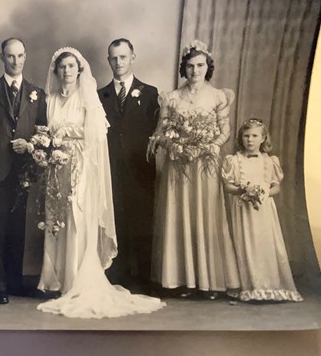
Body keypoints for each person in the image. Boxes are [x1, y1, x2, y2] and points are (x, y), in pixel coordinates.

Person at [36, 47, 166, 318]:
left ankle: (74, 278)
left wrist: (62, 133)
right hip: (55, 168)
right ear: (56, 71)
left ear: (79, 69)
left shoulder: (88, 98)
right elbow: (42, 130)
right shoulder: (48, 100)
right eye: (62, 67)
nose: (67, 71)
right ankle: (54, 279)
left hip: (79, 167)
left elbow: (94, 132)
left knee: (76, 220)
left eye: (71, 66)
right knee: (56, 220)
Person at [149, 40, 240, 299]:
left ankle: (208, 281)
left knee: (206, 216)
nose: (195, 71)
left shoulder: (218, 96)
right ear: (183, 68)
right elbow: (160, 131)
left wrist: (211, 145)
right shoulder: (172, 97)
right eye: (190, 66)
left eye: (200, 65)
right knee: (179, 216)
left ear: (208, 67)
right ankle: (181, 281)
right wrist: (172, 145)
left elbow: (225, 130)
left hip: (206, 164)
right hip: (178, 165)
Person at [0, 38, 47, 304]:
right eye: (9, 56)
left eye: (19, 56)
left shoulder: (37, 93)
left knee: (18, 229)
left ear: (25, 57)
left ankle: (15, 282)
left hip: (23, 172)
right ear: (2, 58)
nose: (15, 61)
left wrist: (29, 146)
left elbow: (42, 133)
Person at [98, 38, 159, 290]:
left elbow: (157, 131)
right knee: (116, 221)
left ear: (132, 57)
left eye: (123, 57)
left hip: (140, 169)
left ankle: (143, 278)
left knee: (142, 223)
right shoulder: (99, 95)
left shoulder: (150, 93)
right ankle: (117, 276)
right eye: (114, 57)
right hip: (110, 169)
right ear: (108, 60)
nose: (118, 62)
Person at [221, 118, 303, 302]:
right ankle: (249, 286)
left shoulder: (270, 161)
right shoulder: (234, 160)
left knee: (265, 244)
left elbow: (276, 188)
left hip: (264, 210)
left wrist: (263, 192)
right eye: (246, 136)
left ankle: (268, 285)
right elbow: (228, 187)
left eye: (254, 136)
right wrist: (244, 190)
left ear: (263, 138)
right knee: (246, 244)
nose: (249, 140)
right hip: (242, 210)